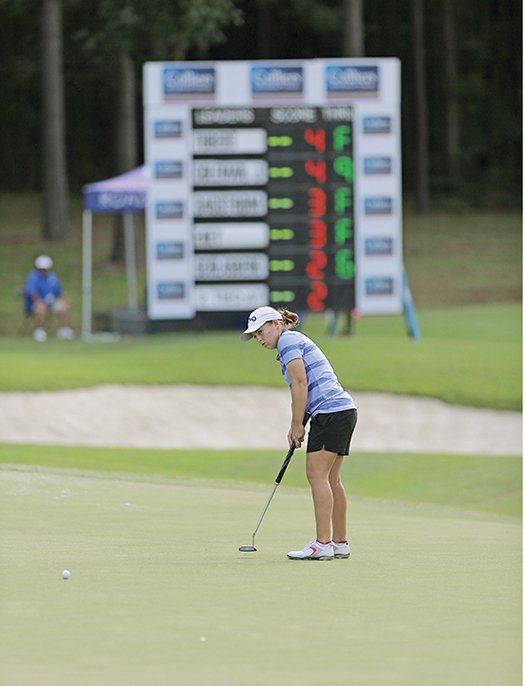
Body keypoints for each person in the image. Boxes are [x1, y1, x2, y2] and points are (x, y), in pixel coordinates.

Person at [241, 306, 358, 561]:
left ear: (275, 323)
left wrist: (296, 424)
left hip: (329, 412)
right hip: (342, 410)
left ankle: (322, 543)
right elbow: (305, 387)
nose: (259, 339)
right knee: (331, 479)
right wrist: (301, 422)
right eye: (255, 336)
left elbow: (300, 383)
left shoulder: (288, 342)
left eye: (261, 332)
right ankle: (340, 542)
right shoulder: (292, 342)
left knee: (316, 475)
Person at [24, 255, 74, 342]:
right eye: (41, 269)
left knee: (64, 306)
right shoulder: (33, 277)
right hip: (35, 304)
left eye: (45, 269)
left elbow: (59, 290)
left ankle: (63, 330)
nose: (44, 271)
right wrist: (40, 302)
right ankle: (39, 331)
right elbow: (32, 293)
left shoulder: (52, 277)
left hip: (51, 303)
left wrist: (66, 300)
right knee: (41, 307)